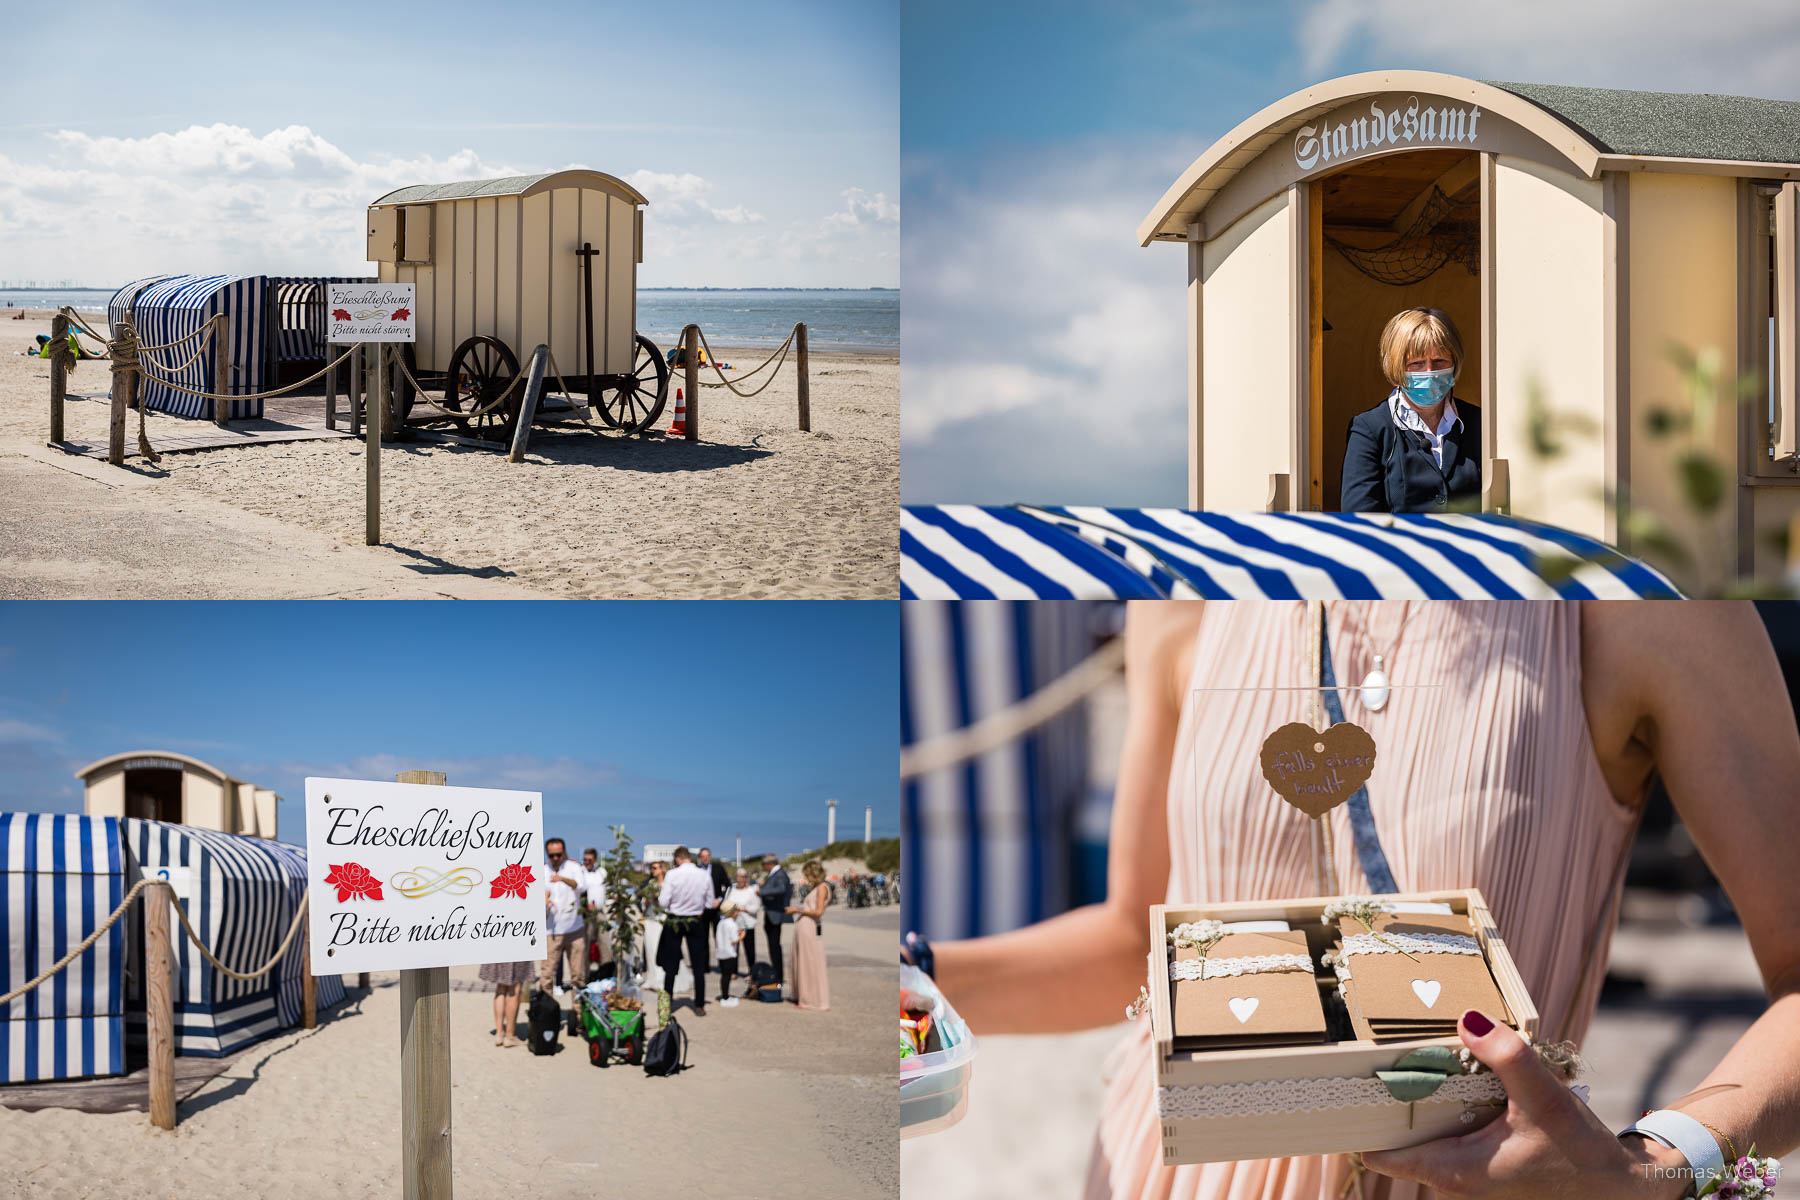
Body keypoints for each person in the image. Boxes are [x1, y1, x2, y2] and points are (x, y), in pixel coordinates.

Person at [904, 601, 1800, 1200]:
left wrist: (1652, 1169)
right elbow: (1130, 948)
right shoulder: (1188, 593)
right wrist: (910, 984)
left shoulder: (1630, 603)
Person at [1339, 307, 1481, 513]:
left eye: (1440, 361)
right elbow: (1360, 517)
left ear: (1455, 362)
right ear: (1397, 368)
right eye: (1416, 363)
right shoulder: (1370, 429)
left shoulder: (1479, 422)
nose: (1430, 372)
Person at [656, 845, 715, 1015]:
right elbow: (710, 903)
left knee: (670, 965)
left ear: (677, 859)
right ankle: (699, 1004)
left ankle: (666, 1006)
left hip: (675, 919)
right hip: (695, 919)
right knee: (698, 964)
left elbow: (663, 902)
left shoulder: (672, 875)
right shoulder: (703, 875)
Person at [538, 837, 587, 998]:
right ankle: (546, 1015)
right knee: (546, 976)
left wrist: (562, 879)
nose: (555, 859)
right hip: (551, 930)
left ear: (563, 852)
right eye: (552, 855)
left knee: (578, 976)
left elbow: (580, 886)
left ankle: (578, 1015)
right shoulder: (543, 870)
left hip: (575, 928)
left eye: (558, 855)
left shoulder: (573, 867)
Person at [786, 860, 831, 1011]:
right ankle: (803, 995)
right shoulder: (818, 887)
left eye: (807, 874)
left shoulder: (822, 888)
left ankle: (812, 999)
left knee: (810, 962)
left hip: (810, 927)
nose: (806, 877)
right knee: (803, 961)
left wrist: (797, 910)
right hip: (806, 926)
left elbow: (818, 912)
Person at [718, 869, 762, 999]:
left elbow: (756, 907)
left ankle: (751, 971)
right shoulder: (731, 890)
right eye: (739, 877)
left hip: (748, 923)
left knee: (749, 949)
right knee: (733, 948)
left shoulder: (751, 891)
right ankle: (733, 970)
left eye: (743, 877)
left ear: (746, 878)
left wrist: (743, 908)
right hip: (733, 923)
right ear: (736, 878)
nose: (741, 879)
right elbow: (726, 904)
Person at [478, 958, 532, 1048]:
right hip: (517, 949)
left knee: (501, 987)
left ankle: (499, 1033)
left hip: (499, 947)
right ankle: (509, 1036)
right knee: (515, 989)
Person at [759, 853, 793, 987]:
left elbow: (781, 889)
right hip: (772, 913)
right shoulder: (776, 874)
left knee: (775, 947)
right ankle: (777, 974)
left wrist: (762, 892)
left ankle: (778, 976)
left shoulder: (779, 874)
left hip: (775, 915)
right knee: (773, 946)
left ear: (769, 864)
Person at [581, 846, 611, 971]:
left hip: (600, 911)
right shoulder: (580, 871)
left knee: (605, 942)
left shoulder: (602, 872)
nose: (587, 862)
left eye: (589, 860)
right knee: (586, 944)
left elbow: (607, 890)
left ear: (595, 860)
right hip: (586, 913)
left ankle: (606, 971)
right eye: (585, 859)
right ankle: (584, 974)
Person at [699, 846, 729, 953]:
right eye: (703, 856)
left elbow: (728, 885)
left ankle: (722, 965)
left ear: (710, 857)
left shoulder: (718, 869)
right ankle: (704, 966)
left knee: (719, 937)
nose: (705, 858)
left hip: (716, 908)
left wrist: (720, 899)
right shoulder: (697, 871)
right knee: (702, 939)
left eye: (707, 856)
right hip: (702, 909)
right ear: (700, 858)